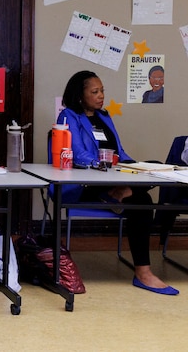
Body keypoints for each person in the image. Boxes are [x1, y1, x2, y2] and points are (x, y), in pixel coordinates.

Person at [57, 70, 178, 295]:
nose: (101, 95)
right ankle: (143, 273)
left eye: (102, 90)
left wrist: (133, 166)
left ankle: (120, 192)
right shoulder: (68, 117)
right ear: (80, 95)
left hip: (111, 177)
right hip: (84, 186)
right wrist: (109, 167)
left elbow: (120, 152)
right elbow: (78, 155)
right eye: (95, 92)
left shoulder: (104, 117)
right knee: (142, 200)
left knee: (150, 174)